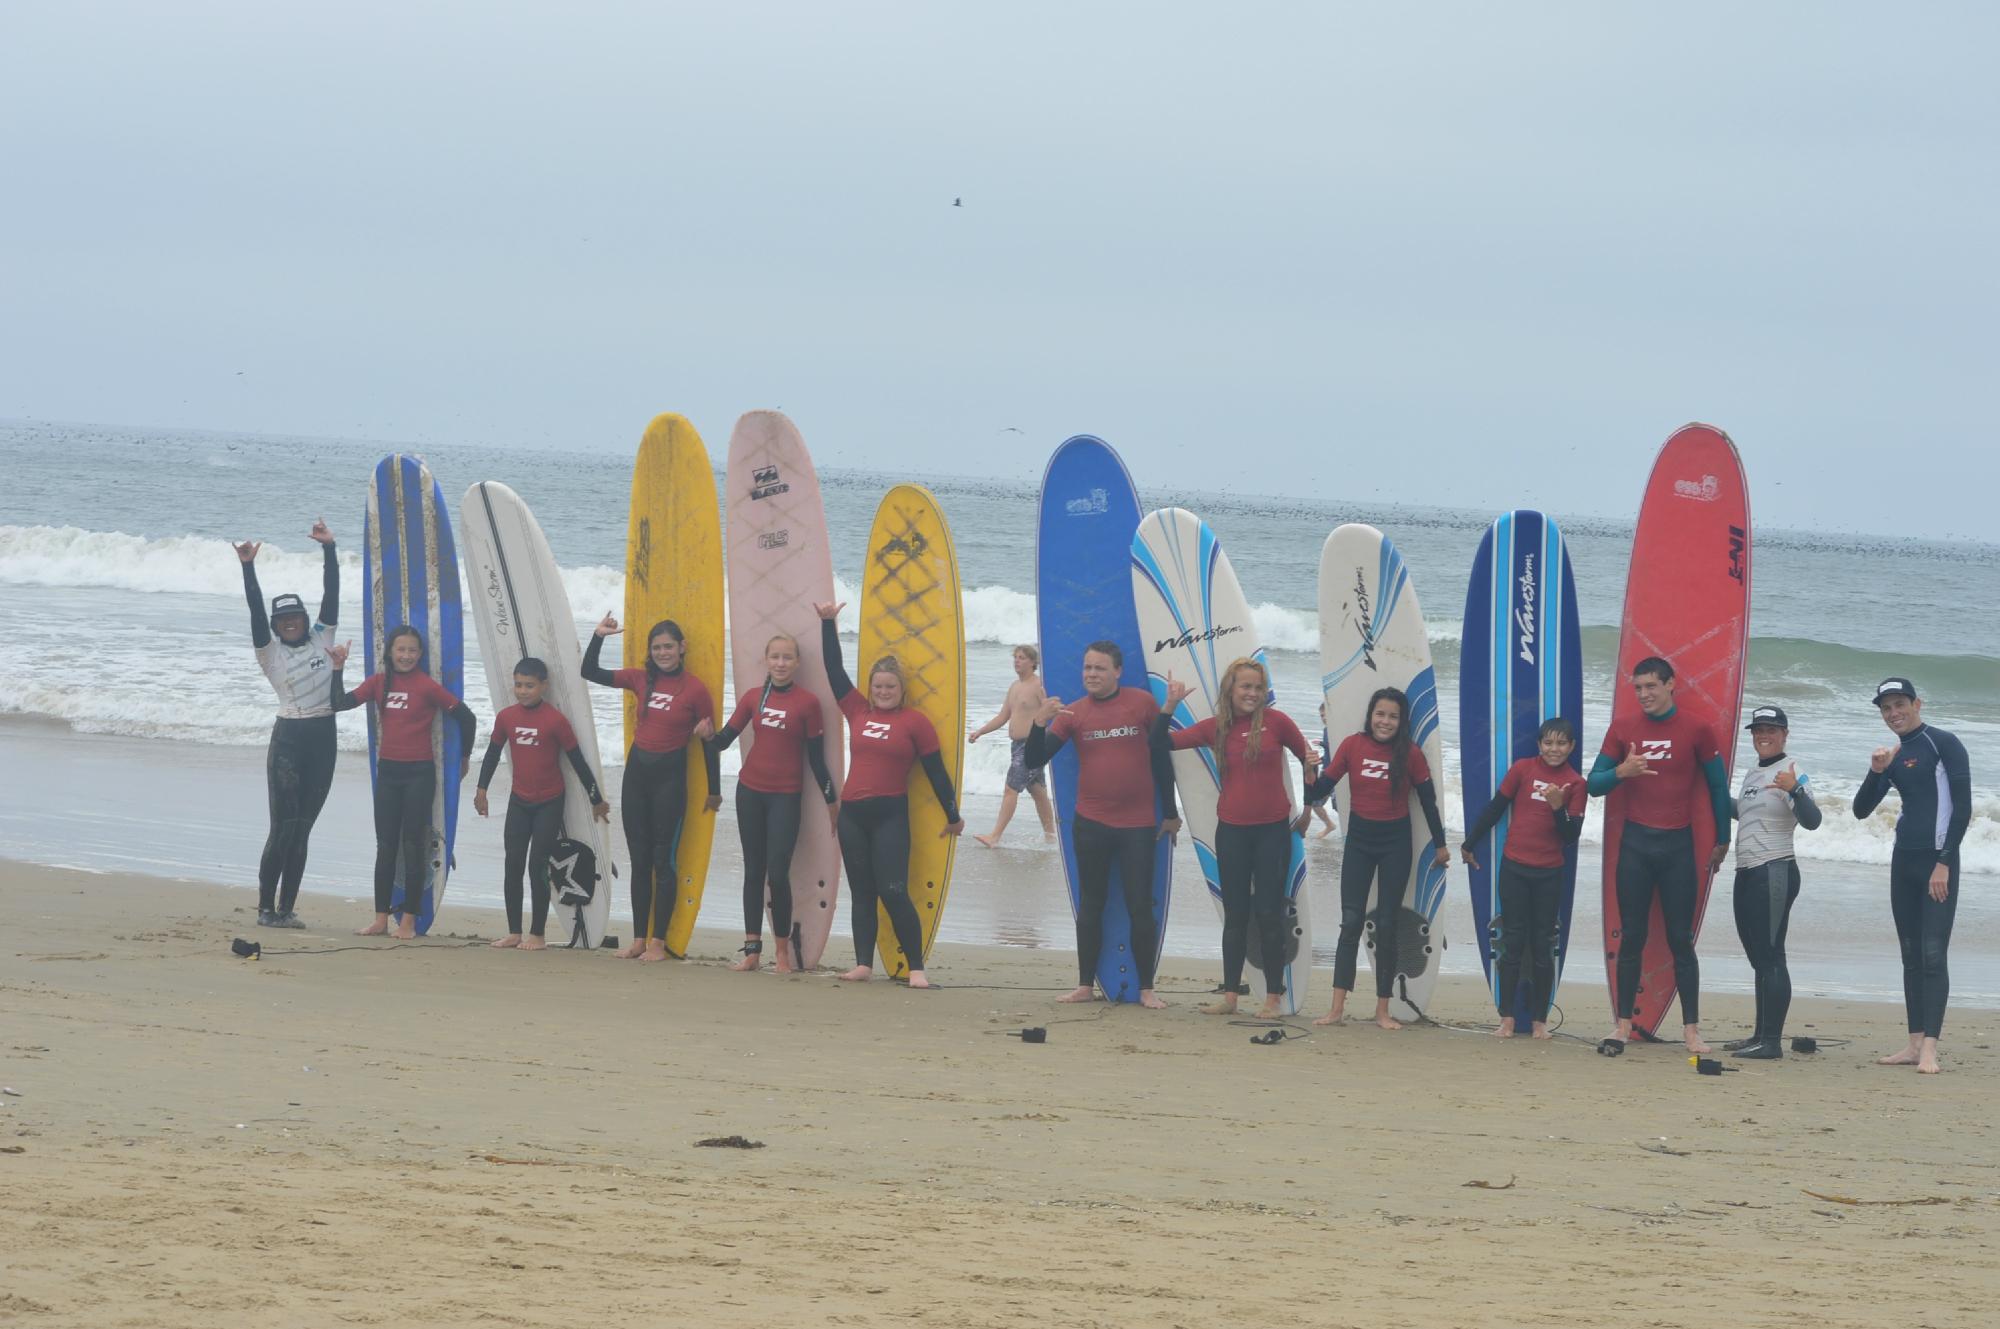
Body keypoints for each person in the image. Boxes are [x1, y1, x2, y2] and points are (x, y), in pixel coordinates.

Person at [1586, 656, 1732, 1055]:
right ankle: (1622, 1026)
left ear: (1670, 685)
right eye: (1638, 688)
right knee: (1631, 936)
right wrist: (1622, 772)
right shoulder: (1623, 729)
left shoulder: (1697, 729)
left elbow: (1717, 787)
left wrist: (1724, 837)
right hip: (1634, 845)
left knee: (1680, 941)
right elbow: (1592, 785)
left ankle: (1691, 1031)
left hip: (1677, 848)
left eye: (1651, 686)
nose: (1644, 694)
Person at [1023, 639, 1180, 1008]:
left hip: (1138, 824)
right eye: (1087, 668)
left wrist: (1170, 812)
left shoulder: (1141, 703)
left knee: (1140, 905)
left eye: (1099, 668)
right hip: (1091, 823)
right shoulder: (1074, 713)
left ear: (1117, 671)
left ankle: (1146, 989)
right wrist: (1038, 722)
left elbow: (1160, 757)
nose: (1091, 674)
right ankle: (1083, 985)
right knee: (1092, 903)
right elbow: (1035, 758)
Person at [815, 603, 965, 987]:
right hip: (852, 815)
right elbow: (834, 673)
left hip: (890, 817)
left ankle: (916, 968)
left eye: (890, 687)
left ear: (901, 690)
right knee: (862, 892)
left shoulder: (915, 722)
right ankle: (863, 963)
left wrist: (953, 814)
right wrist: (828, 623)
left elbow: (935, 772)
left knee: (894, 890)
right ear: (871, 688)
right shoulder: (857, 711)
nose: (883, 691)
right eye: (878, 686)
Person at [1156, 659, 1316, 1019]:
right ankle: (1230, 996)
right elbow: (1159, 742)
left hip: (1273, 832)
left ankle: (1273, 995)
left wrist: (1308, 811)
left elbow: (1309, 761)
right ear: (1231, 689)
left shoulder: (1278, 723)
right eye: (1246, 687)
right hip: (1231, 832)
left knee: (1270, 914)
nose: (1253, 694)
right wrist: (1169, 706)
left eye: (1258, 688)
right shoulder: (1217, 728)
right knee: (1236, 916)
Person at [1308, 687, 1451, 1030]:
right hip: (1359, 841)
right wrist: (1309, 771)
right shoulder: (1352, 746)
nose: (1385, 721)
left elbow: (1428, 803)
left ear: (1401, 721)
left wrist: (1441, 846)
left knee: (1387, 924)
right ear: (1371, 715)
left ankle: (1382, 1010)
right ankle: (1336, 1009)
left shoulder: (1411, 754)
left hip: (1395, 844)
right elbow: (1317, 793)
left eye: (1393, 716)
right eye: (1380, 714)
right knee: (1350, 923)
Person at [1852, 677, 1972, 1075]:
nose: (1893, 713)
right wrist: (1875, 771)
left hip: (1938, 863)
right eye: (1886, 708)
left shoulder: (1944, 744)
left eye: (1900, 704)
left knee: (1933, 954)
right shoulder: (1894, 754)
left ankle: (1931, 1051)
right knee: (1910, 954)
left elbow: (1962, 808)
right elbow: (1861, 810)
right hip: (1903, 863)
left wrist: (1944, 862)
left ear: (1917, 703)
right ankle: (1914, 1042)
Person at [583, 614, 720, 961]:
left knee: (664, 861)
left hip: (670, 782)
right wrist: (599, 637)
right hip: (637, 777)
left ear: (682, 648)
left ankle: (659, 942)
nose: (663, 652)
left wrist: (714, 789)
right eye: (657, 647)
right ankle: (639, 939)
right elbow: (590, 672)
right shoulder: (640, 678)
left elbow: (709, 742)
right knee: (639, 861)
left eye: (668, 646)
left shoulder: (695, 690)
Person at [327, 627, 477, 938]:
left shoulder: (427, 686)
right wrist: (338, 668)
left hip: (419, 774)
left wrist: (463, 758)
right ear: (391, 652)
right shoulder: (378, 683)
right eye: (401, 650)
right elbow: (339, 703)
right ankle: (381, 919)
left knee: (412, 846)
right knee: (385, 847)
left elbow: (467, 717)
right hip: (389, 774)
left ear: (420, 655)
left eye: (412, 650)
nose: (406, 655)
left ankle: (408, 920)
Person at [709, 634, 837, 973]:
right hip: (750, 791)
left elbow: (817, 760)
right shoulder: (753, 698)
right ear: (766, 660)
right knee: (754, 872)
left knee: (777, 874)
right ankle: (752, 951)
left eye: (787, 657)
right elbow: (724, 740)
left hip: (785, 796)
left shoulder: (808, 703)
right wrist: (707, 734)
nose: (780, 663)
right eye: (775, 657)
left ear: (796, 663)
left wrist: (832, 801)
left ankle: (782, 953)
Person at [234, 520, 340, 929]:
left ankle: (287, 908)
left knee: (304, 830)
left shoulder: (322, 637)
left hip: (323, 738)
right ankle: (265, 908)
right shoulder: (270, 653)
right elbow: (255, 611)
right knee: (283, 828)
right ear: (278, 625)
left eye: (295, 615)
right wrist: (248, 567)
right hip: (289, 741)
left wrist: (329, 550)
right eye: (285, 619)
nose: (290, 622)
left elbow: (332, 596)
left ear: (304, 617)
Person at [1459, 717, 1587, 1039]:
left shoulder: (1576, 783)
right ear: (1539, 744)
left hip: (1549, 872)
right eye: (1548, 743)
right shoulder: (1523, 769)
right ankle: (1507, 1018)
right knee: (1512, 942)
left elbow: (1570, 836)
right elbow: (1496, 808)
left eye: (1561, 743)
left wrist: (1559, 808)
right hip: (1515, 867)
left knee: (1543, 945)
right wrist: (1469, 842)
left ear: (1571, 747)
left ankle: (1540, 1022)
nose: (1554, 749)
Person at [474, 658, 610, 951]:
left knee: (537, 865)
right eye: (518, 685)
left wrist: (596, 798)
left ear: (543, 686)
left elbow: (577, 762)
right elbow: (492, 754)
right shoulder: (506, 717)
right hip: (519, 800)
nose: (522, 691)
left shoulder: (556, 721)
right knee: (513, 864)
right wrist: (481, 789)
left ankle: (537, 934)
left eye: (529, 685)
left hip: (549, 801)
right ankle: (513, 932)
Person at [1725, 705, 1822, 1060]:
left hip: (1775, 871)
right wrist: (1711, 791)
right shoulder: (1754, 772)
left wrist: (1795, 789)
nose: (1763, 735)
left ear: (1784, 734)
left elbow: (1813, 820)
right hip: (1747, 871)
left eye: (1771, 729)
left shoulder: (1791, 771)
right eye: (1757, 730)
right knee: (1758, 957)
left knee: (1771, 957)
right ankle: (1759, 1034)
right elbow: (1744, 813)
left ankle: (1771, 1042)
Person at [969, 644, 1056, 847]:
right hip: (1016, 746)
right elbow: (1003, 716)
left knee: (1011, 789)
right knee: (1037, 790)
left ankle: (995, 836)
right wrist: (980, 732)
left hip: (1032, 746)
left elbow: (1051, 712)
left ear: (1033, 662)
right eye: (1015, 657)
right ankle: (1051, 837)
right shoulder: (1015, 687)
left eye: (1022, 657)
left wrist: (1047, 741)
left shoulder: (1038, 685)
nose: (1017, 660)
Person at [1310, 703, 1338, 838]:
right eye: (1321, 716)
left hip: (1337, 775)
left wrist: (1322, 744)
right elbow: (1329, 753)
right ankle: (1329, 825)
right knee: (1314, 802)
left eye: (1325, 715)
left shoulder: (1337, 729)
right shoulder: (1326, 730)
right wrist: (1319, 760)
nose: (1323, 718)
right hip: (1326, 772)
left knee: (1339, 806)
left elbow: (1335, 749)